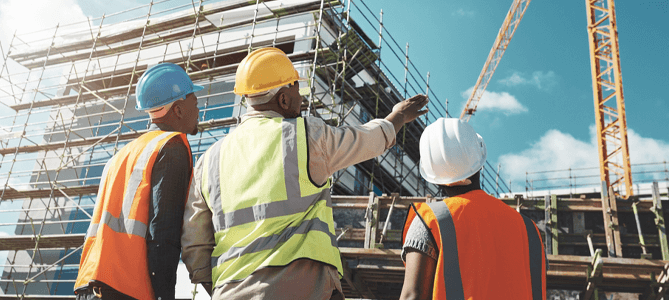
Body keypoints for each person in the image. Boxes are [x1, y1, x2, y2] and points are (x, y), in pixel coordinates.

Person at [182, 47, 428, 300]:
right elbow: (368, 140)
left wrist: (226, 290)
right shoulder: (303, 135)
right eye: (297, 90)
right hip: (304, 289)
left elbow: (194, 246)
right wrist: (398, 116)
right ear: (283, 99)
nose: (301, 99)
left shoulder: (208, 160)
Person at [74, 63, 214, 300]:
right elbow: (163, 233)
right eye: (195, 103)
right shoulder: (171, 146)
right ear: (178, 110)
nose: (199, 109)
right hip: (127, 288)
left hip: (90, 284)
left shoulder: (121, 155)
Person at [399, 118, 547, 300]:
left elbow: (412, 296)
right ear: (480, 161)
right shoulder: (530, 231)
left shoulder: (431, 221)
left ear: (433, 176)